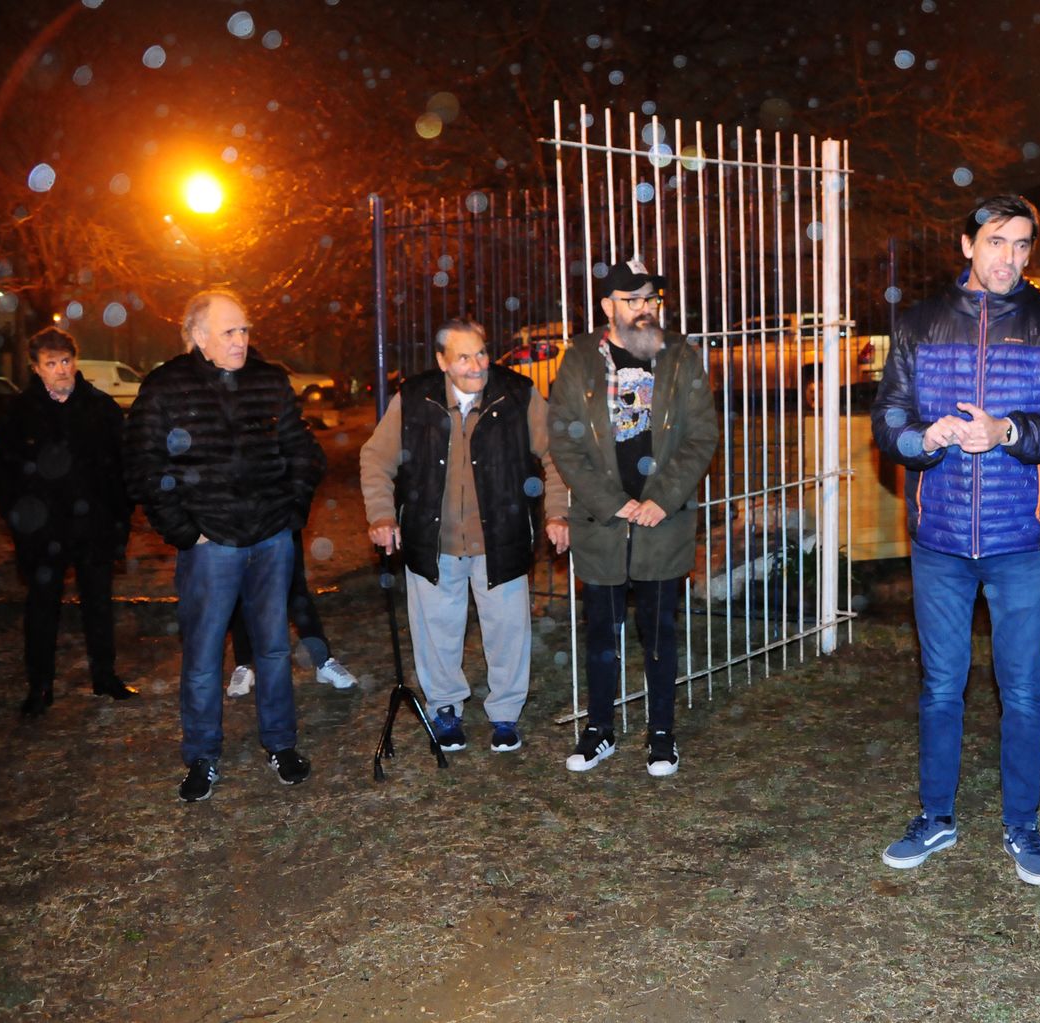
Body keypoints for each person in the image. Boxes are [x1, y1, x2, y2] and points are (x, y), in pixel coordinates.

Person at [870, 196, 1040, 885]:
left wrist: (1009, 431)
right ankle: (935, 817)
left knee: (1022, 690)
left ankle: (1022, 826)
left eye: (1023, 244)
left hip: (1019, 537)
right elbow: (888, 418)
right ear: (967, 246)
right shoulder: (919, 323)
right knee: (942, 687)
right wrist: (923, 438)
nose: (1011, 257)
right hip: (939, 538)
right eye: (997, 241)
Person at [125, 288, 325, 802]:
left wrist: (291, 510)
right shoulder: (167, 386)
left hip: (271, 538)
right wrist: (185, 531)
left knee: (274, 648)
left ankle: (281, 744)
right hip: (210, 547)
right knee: (203, 655)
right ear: (198, 336)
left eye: (245, 329)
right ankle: (202, 756)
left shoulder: (268, 379)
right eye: (230, 331)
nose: (242, 340)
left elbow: (301, 447)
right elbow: (145, 464)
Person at [359, 317, 569, 755]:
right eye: (463, 357)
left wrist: (557, 513)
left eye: (481, 353)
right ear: (442, 362)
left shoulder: (518, 395)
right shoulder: (414, 399)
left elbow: (556, 456)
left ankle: (506, 714)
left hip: (502, 536)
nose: (476, 365)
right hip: (431, 539)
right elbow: (376, 459)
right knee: (436, 630)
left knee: (508, 631)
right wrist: (381, 515)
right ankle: (445, 708)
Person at [547, 259, 718, 777]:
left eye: (650, 300)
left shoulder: (680, 356)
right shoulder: (579, 358)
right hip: (603, 523)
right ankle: (599, 729)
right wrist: (609, 501)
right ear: (607, 307)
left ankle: (661, 734)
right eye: (631, 300)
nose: (644, 310)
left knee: (659, 631)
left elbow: (701, 436)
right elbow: (563, 438)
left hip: (661, 521)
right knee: (601, 632)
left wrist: (660, 499)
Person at [0, 326, 138, 715]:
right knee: (41, 609)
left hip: (94, 528)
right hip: (42, 533)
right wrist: (22, 522)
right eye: (50, 363)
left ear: (76, 361)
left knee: (99, 606)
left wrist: (118, 519)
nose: (60, 369)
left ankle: (104, 677)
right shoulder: (20, 414)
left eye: (66, 361)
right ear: (35, 368)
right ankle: (39, 687)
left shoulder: (100, 408)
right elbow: (2, 474)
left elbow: (123, 469)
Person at [224, 530, 358, 698]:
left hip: (280, 518)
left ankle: (323, 661)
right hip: (238, 521)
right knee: (241, 589)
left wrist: (294, 514)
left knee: (295, 588)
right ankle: (243, 665)